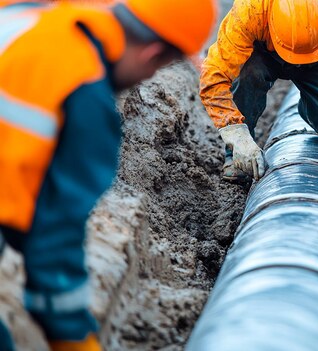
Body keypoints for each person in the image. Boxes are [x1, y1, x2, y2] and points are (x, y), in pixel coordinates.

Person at [0, 0, 216, 349]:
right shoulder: (86, 99)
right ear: (152, 55)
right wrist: (72, 337)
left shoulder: (24, 19)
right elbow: (53, 242)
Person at [200, 0, 318, 201]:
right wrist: (236, 136)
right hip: (263, 55)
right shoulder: (251, 11)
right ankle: (234, 156)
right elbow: (214, 79)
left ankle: (310, 107)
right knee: (248, 75)